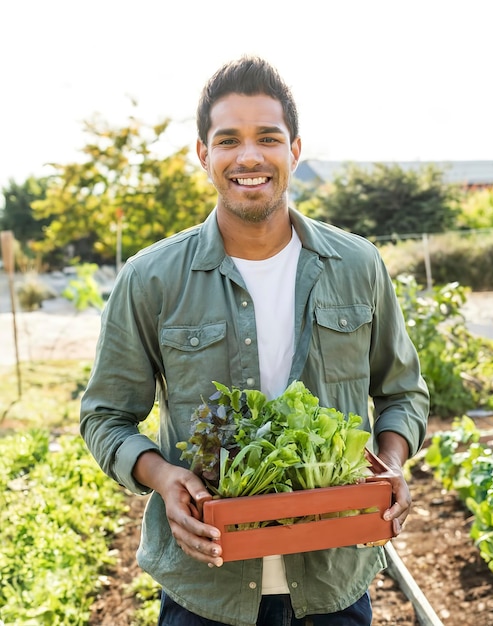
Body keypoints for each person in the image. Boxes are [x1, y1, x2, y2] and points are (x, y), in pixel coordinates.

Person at [80, 55, 430, 626]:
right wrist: (164, 478)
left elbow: (402, 392)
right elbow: (105, 417)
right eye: (228, 140)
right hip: (206, 589)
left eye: (267, 137)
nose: (249, 156)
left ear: (293, 150)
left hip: (332, 582)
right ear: (203, 154)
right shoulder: (152, 279)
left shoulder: (356, 264)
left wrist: (390, 463)